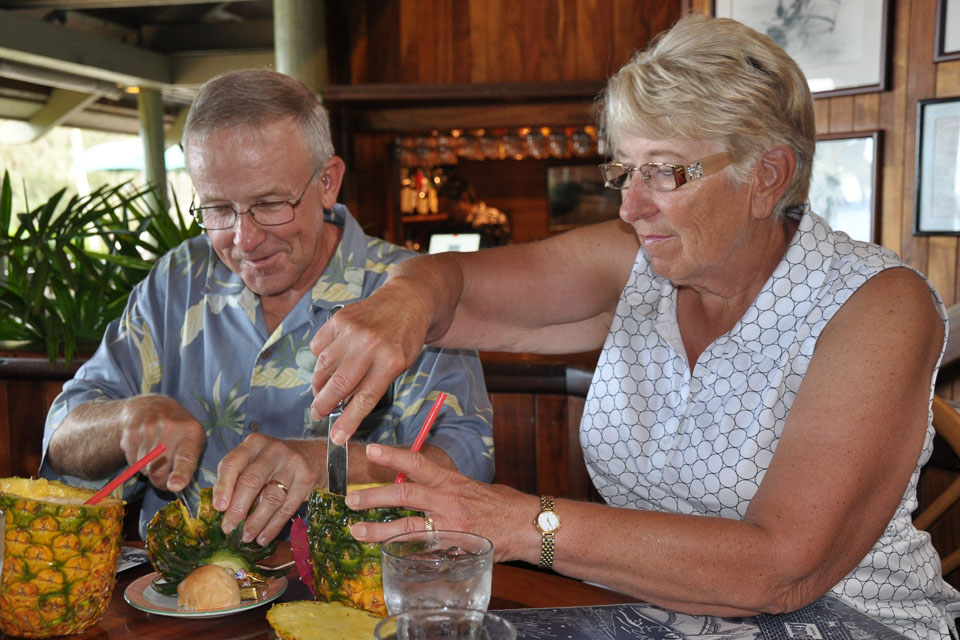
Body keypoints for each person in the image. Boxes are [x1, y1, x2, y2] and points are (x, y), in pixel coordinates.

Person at [306, 14, 959, 640]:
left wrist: (520, 521)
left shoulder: (878, 305)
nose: (630, 205)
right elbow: (460, 295)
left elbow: (782, 570)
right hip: (662, 620)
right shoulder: (640, 263)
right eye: (624, 170)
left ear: (767, 176)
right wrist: (410, 293)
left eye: (665, 172)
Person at [39, 69, 494, 546]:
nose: (245, 239)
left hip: (359, 603)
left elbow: (466, 465)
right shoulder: (178, 280)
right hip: (181, 602)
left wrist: (325, 464)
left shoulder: (411, 292)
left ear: (327, 183)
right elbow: (63, 435)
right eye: (217, 208)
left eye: (271, 203)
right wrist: (125, 422)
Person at [434, 172, 510, 248]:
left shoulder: (491, 217)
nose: (447, 211)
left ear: (464, 197)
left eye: (448, 206)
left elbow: (495, 251)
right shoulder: (457, 222)